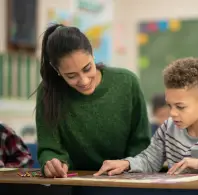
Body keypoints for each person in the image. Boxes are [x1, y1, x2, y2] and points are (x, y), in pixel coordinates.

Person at [95, 57, 198, 195]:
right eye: (169, 105)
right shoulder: (168, 129)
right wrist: (126, 164)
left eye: (180, 107)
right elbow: (149, 160)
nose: (172, 113)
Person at [35, 24, 150, 178]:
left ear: (93, 54)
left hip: (125, 179)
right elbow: (49, 147)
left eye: (87, 68)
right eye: (71, 76)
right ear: (57, 71)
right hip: (74, 182)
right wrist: (52, 162)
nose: (83, 81)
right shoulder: (49, 92)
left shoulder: (127, 82)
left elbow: (141, 144)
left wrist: (128, 164)